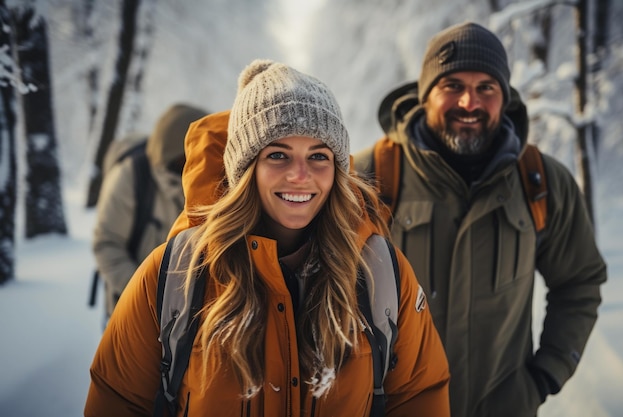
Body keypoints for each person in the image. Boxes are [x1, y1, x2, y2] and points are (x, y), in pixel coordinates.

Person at [84, 59, 451, 417]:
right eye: (278, 154)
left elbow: (419, 396)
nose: (300, 175)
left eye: (319, 156)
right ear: (245, 169)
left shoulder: (381, 273)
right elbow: (117, 398)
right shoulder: (174, 275)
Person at [354, 22, 607, 417]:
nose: (469, 103)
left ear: (504, 98)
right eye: (452, 85)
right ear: (425, 95)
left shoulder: (541, 181)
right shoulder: (374, 175)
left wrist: (545, 375)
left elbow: (579, 281)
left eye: (486, 88)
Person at [92, 103, 207, 321]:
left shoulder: (214, 177)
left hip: (191, 317)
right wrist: (150, 298)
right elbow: (107, 245)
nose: (194, 165)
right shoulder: (129, 177)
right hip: (133, 308)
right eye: (186, 158)